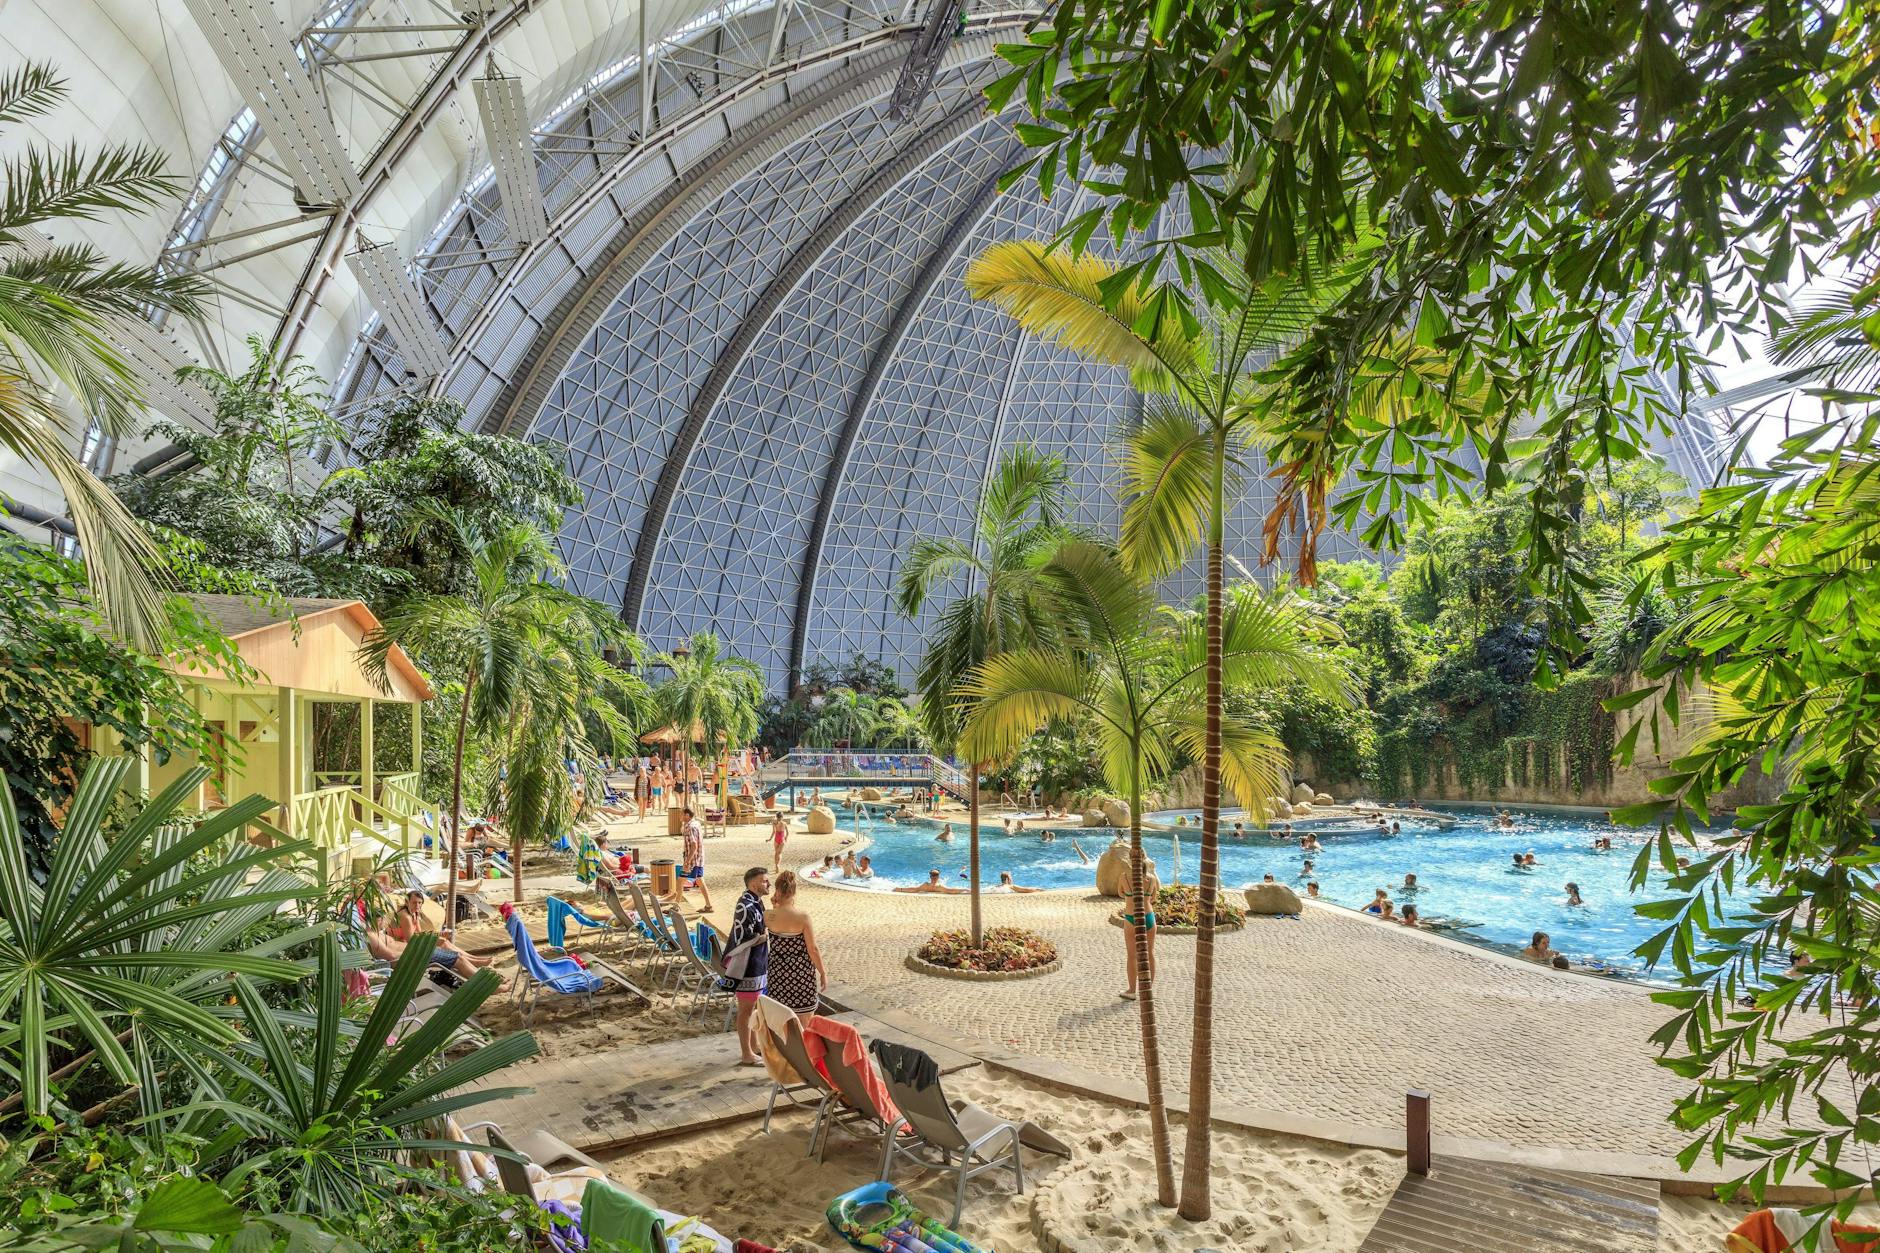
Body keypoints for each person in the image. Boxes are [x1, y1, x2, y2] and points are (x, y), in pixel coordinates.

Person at [383, 891, 503, 987]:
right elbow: (412, 941)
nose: (418, 906)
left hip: (411, 947)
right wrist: (434, 940)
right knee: (444, 944)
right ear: (406, 902)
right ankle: (474, 962)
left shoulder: (414, 913)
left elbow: (420, 933)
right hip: (408, 950)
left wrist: (438, 934)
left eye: (420, 903)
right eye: (414, 903)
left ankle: (474, 959)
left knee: (444, 941)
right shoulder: (405, 916)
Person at [723, 867, 771, 1065]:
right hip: (746, 967)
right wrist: (763, 937)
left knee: (753, 1009)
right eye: (765, 881)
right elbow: (743, 936)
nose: (769, 884)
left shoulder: (755, 901)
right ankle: (746, 1054)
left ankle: (754, 1047)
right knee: (745, 1011)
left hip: (756, 964)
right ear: (754, 884)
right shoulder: (746, 905)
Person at [764, 871, 827, 1017]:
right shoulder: (803, 918)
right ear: (794, 892)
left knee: (781, 1024)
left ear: (777, 890)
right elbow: (813, 949)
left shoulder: (768, 916)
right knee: (804, 1028)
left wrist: (775, 906)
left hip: (777, 975)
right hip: (801, 976)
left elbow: (776, 917)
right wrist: (822, 972)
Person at [673, 808, 713, 912]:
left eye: (681, 814)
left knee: (680, 881)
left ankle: (676, 906)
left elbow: (694, 845)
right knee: (699, 880)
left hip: (693, 861)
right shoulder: (696, 824)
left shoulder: (690, 827)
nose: (679, 817)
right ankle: (708, 906)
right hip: (698, 859)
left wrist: (687, 861)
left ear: (687, 815)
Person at [1119, 898, 1156, 1001]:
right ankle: (1148, 989)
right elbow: (1154, 897)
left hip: (1132, 916)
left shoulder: (1125, 880)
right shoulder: (1154, 880)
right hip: (1148, 915)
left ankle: (1132, 991)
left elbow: (1120, 893)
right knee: (1150, 953)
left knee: (1132, 955)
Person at [894, 869, 966, 895]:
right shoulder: (938, 887)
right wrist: (900, 889)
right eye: (934, 875)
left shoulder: (930, 885)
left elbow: (915, 889)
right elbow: (951, 891)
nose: (934, 877)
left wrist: (900, 889)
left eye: (935, 875)